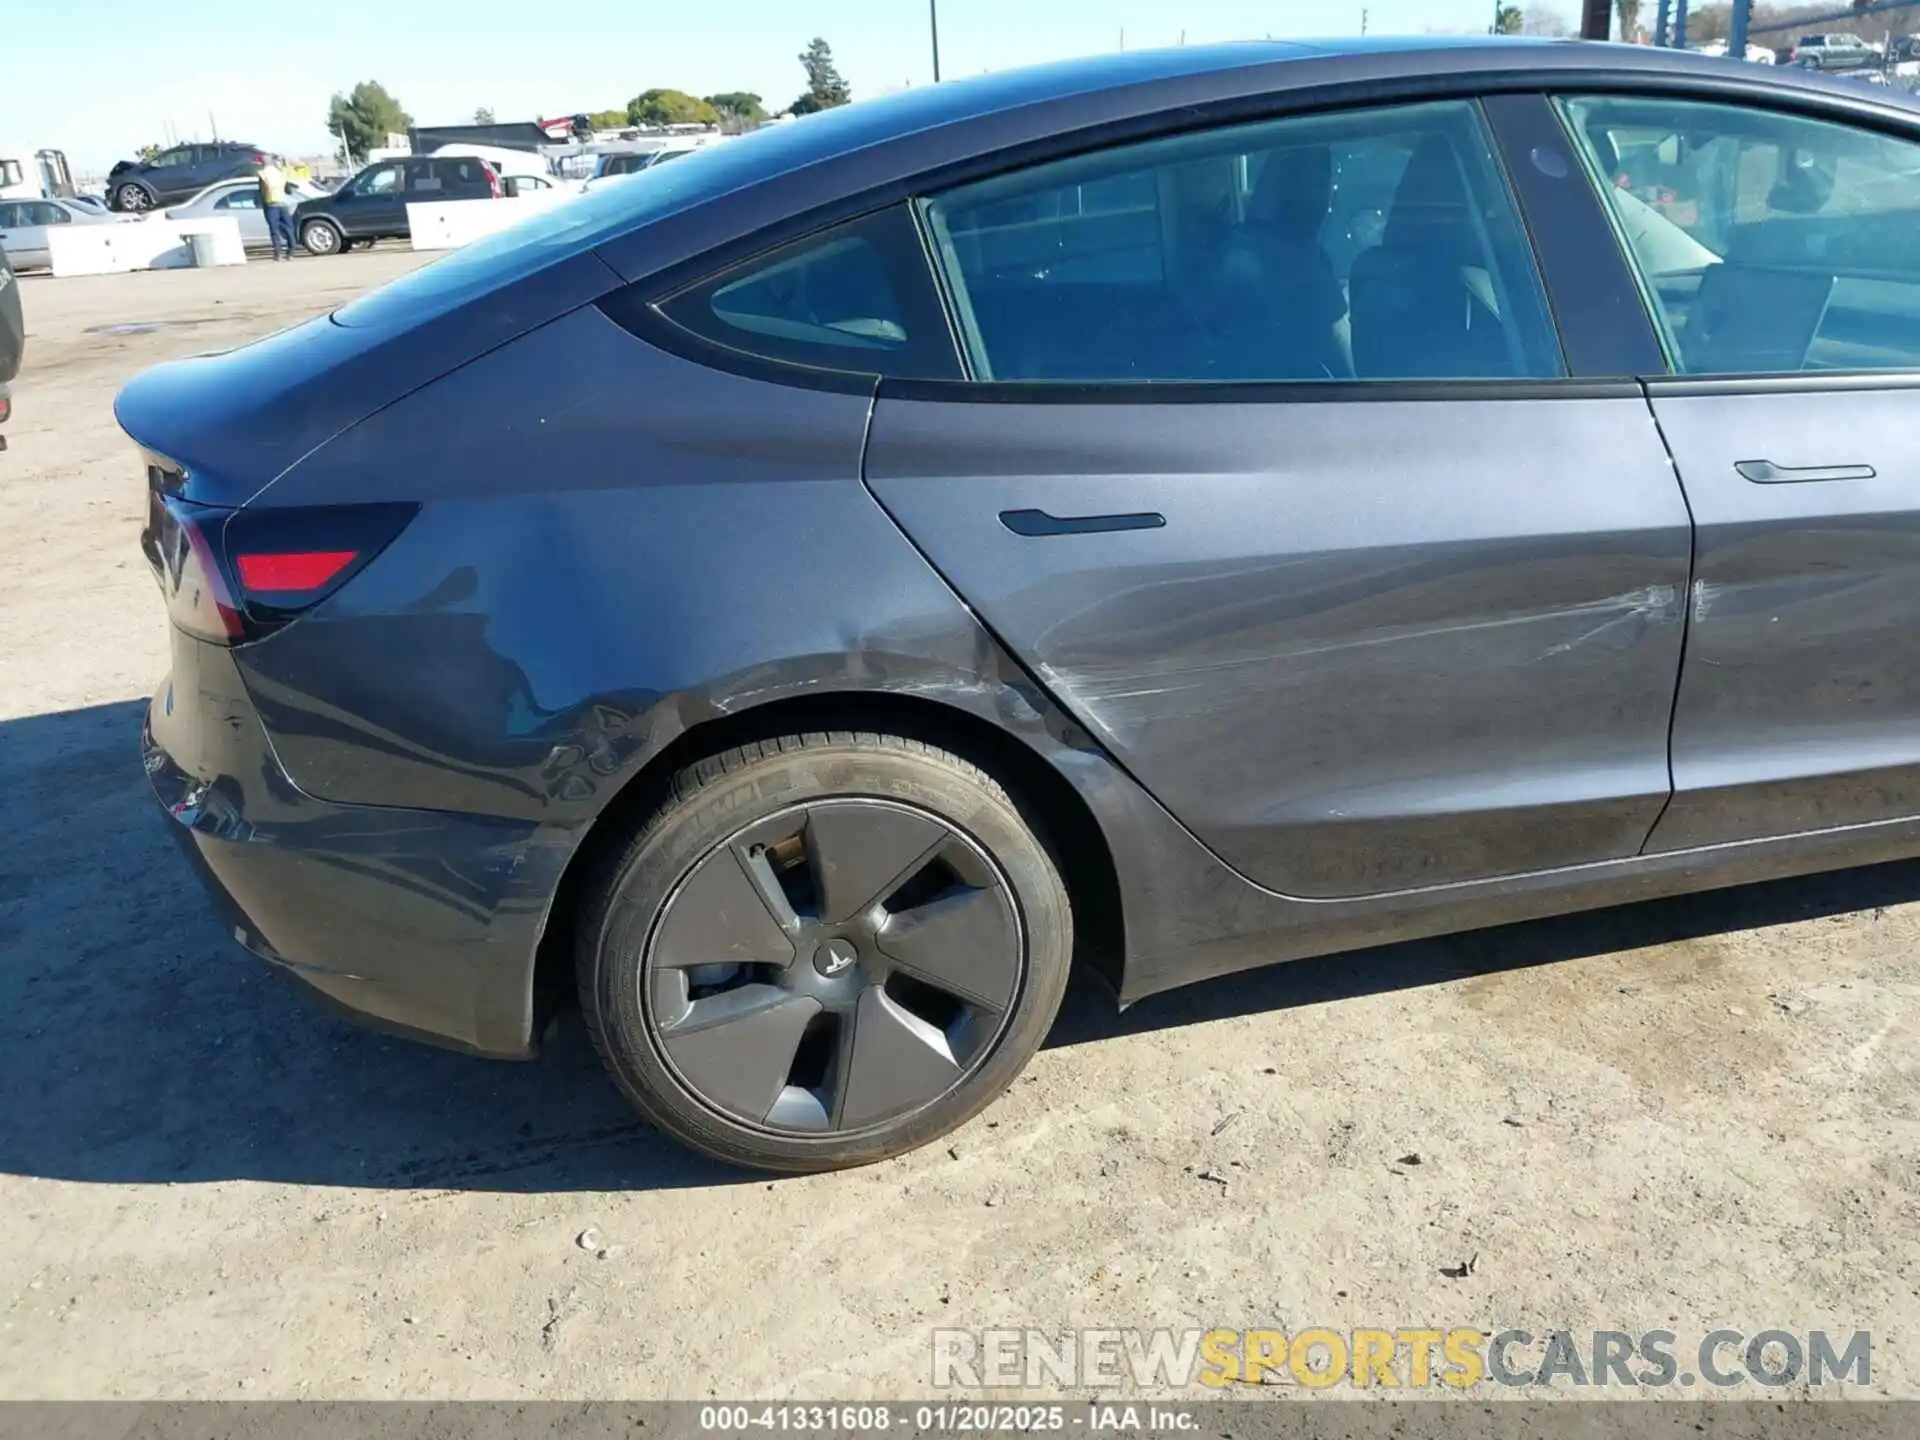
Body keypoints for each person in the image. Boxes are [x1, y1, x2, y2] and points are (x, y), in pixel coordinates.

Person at [257, 158, 293, 261]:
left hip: (271, 205)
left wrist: (263, 202)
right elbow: (288, 190)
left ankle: (277, 254)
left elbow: (263, 190)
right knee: (288, 228)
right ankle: (291, 252)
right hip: (283, 204)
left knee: (274, 230)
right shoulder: (281, 173)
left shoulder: (263, 174)